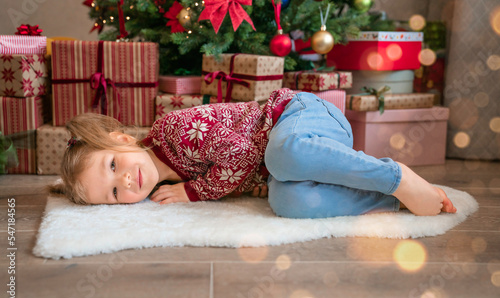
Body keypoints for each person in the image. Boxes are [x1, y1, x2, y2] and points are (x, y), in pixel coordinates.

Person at [49, 88, 457, 218]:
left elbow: (243, 153)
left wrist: (196, 192)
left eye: (113, 165)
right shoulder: (169, 179)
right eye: (114, 193)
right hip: (297, 164)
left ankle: (394, 174)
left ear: (121, 138)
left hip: (301, 118)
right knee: (286, 201)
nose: (124, 181)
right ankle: (392, 198)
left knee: (280, 154)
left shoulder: (172, 131)